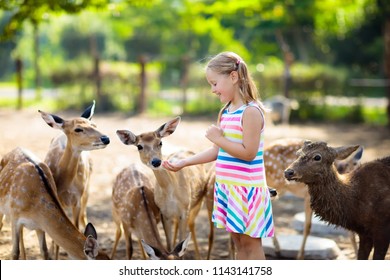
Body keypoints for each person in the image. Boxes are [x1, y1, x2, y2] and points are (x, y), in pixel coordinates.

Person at [162, 51, 274, 260]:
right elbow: (216, 151)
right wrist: (185, 162)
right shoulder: (226, 111)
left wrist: (219, 139)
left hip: (246, 190)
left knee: (251, 244)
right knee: (238, 244)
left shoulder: (251, 112)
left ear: (233, 77)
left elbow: (248, 153)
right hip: (229, 188)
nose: (212, 90)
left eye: (214, 83)